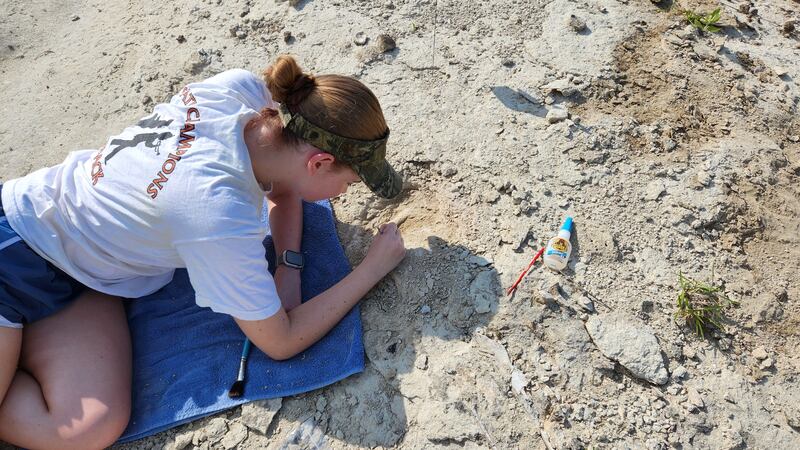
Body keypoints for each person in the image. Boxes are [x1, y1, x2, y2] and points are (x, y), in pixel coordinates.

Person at [0, 54, 406, 449]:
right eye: (350, 183)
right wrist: (371, 269)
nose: (343, 193)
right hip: (12, 254)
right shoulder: (216, 215)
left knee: (89, 428)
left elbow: (282, 184)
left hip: (81, 270)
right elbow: (280, 342)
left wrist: (288, 266)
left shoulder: (243, 95)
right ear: (319, 162)